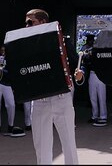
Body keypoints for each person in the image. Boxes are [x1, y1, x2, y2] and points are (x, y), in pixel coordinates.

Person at [24, 9, 85, 164]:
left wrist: (79, 75)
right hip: (39, 100)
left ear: (43, 22)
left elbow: (75, 66)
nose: (27, 26)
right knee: (42, 147)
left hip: (61, 98)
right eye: (26, 22)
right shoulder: (24, 45)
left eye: (31, 22)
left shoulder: (62, 41)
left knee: (69, 145)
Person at [81, 34, 108, 126]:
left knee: (101, 97)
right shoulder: (87, 49)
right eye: (90, 40)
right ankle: (94, 116)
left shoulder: (100, 49)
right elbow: (84, 59)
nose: (92, 42)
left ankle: (103, 116)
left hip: (101, 75)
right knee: (93, 97)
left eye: (93, 40)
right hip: (92, 73)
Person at [0, 44, 25, 137]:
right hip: (0, 83)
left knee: (11, 104)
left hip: (8, 84)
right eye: (1, 51)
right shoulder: (0, 59)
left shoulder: (13, 60)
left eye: (4, 51)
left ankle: (10, 125)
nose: (3, 52)